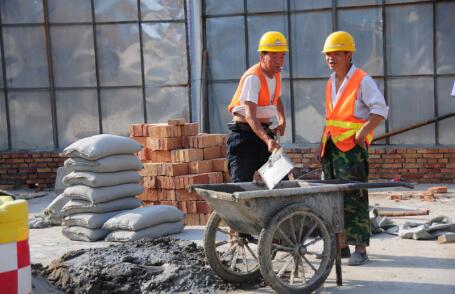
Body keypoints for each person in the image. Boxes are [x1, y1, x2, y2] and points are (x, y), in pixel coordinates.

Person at [317, 31, 389, 266]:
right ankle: (340, 246)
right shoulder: (330, 82)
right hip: (331, 147)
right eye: (328, 54)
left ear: (349, 54)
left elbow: (380, 110)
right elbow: (333, 117)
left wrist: (362, 133)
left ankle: (360, 249)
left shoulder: (362, 80)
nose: (330, 58)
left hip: (351, 149)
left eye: (336, 53)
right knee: (332, 198)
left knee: (355, 198)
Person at [226, 31, 288, 182]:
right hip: (244, 138)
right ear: (262, 56)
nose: (279, 61)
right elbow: (250, 116)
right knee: (242, 187)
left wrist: (282, 121)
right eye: (274, 57)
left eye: (281, 56)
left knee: (281, 183)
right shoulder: (254, 78)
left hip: (263, 134)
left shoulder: (276, 75)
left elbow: (276, 99)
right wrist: (268, 140)